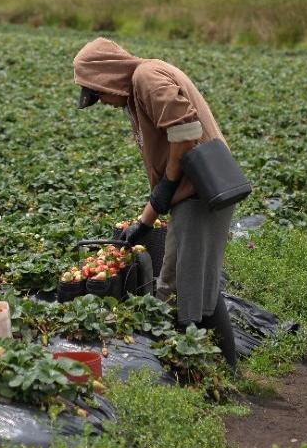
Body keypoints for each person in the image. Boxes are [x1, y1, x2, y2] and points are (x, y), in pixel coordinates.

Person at [72, 37, 238, 368]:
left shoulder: (145, 78)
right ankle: (223, 369)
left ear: (108, 77)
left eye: (99, 93)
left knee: (177, 286)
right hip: (195, 192)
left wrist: (169, 184)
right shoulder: (138, 85)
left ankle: (194, 369)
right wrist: (144, 222)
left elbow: (186, 129)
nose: (102, 102)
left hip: (199, 192)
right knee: (193, 278)